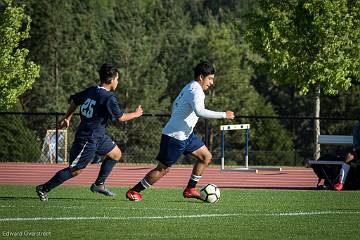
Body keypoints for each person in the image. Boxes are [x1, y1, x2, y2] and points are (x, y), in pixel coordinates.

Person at [126, 60, 234, 201]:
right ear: (201, 77)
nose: (212, 82)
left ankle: (190, 189)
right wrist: (223, 115)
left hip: (186, 135)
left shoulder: (189, 87)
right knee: (163, 169)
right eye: (210, 79)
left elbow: (175, 105)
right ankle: (134, 191)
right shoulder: (196, 90)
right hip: (175, 137)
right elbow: (199, 111)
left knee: (205, 157)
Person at [36, 63, 143, 201]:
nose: (118, 82)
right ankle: (44, 188)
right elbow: (120, 118)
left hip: (98, 136)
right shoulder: (108, 97)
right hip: (88, 138)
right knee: (75, 170)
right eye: (117, 79)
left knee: (116, 154)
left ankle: (99, 184)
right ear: (111, 80)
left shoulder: (92, 90)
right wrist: (136, 113)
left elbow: (75, 100)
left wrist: (67, 118)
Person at [334, 121, 360, 191]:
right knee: (349, 156)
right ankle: (341, 183)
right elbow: (356, 145)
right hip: (359, 151)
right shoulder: (357, 126)